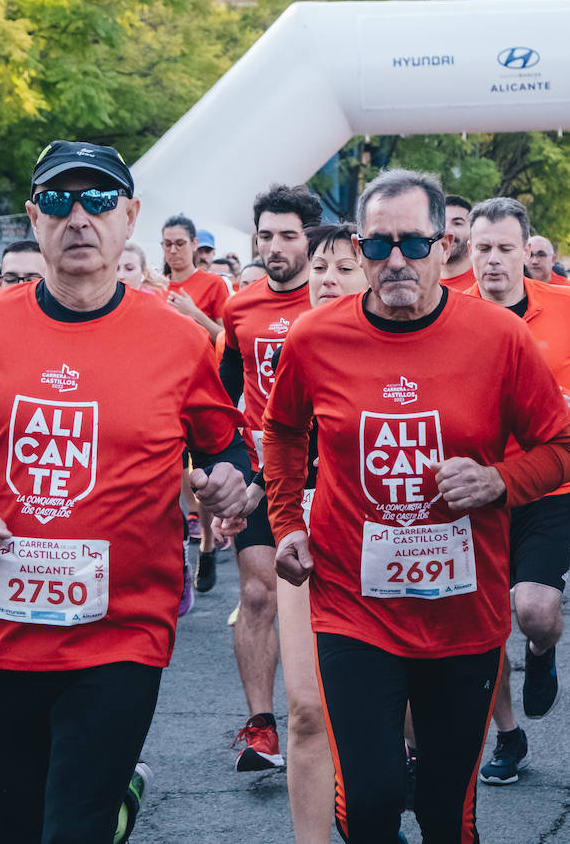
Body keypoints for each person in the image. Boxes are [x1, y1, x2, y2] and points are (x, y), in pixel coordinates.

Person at [0, 141, 250, 844]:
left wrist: (230, 479)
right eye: (58, 202)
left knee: (72, 829)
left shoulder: (175, 340)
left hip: (123, 633)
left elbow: (223, 442)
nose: (78, 217)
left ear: (129, 218)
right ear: (33, 217)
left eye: (98, 201)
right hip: (4, 630)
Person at [263, 169, 570, 843]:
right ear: (359, 246)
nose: (396, 260)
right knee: (371, 802)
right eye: (378, 246)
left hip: (462, 614)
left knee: (443, 810)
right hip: (355, 607)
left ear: (444, 246)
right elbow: (284, 429)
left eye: (412, 242)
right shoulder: (316, 338)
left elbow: (560, 450)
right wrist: (287, 521)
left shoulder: (499, 338)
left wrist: (498, 481)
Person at [464, 197, 570, 787]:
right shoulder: (453, 311)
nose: (494, 261)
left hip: (551, 481)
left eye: (505, 249)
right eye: (483, 249)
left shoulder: (567, 304)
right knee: (483, 626)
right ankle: (507, 735)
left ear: (526, 251)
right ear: (468, 250)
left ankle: (544, 650)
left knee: (534, 609)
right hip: (477, 489)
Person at [217, 184, 323, 773]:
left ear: (310, 236)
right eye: (266, 236)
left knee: (324, 595)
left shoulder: (333, 297)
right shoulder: (241, 307)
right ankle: (262, 727)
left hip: (331, 466)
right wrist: (233, 473)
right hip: (265, 471)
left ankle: (338, 711)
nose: (275, 246)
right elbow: (223, 398)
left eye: (288, 235)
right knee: (259, 591)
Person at [266, 221, 365, 844]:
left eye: (343, 268)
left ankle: (378, 803)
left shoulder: (408, 343)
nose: (327, 279)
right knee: (306, 708)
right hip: (306, 532)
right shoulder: (297, 343)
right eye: (319, 267)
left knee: (395, 712)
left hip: (389, 536)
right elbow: (275, 438)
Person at [162, 215, 229, 342]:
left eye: (180, 244)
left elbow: (226, 340)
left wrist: (194, 314)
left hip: (200, 360)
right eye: (167, 244)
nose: (173, 250)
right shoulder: (156, 286)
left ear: (194, 244)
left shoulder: (214, 283)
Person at [439, 194, 476, 292]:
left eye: (457, 223)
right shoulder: (422, 283)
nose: (446, 231)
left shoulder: (485, 283)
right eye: (440, 222)